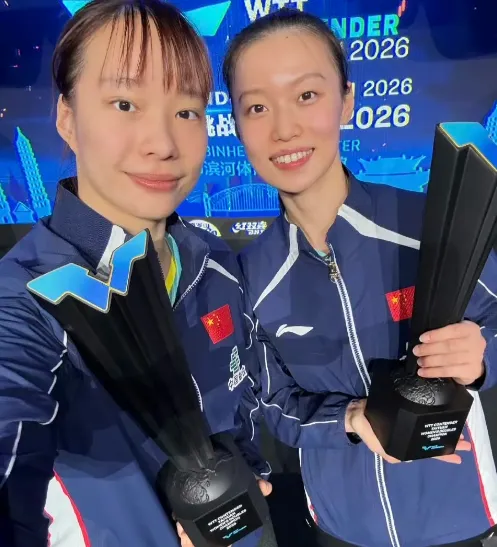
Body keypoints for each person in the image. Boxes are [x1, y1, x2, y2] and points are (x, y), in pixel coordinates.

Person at [0, 1, 274, 546]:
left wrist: (249, 473)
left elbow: (240, 406)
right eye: (124, 103)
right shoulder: (28, 299)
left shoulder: (215, 263)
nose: (163, 144)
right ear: (67, 118)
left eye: (187, 111)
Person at [223, 8, 497, 547]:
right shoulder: (248, 276)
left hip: (460, 518)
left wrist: (482, 354)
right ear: (235, 124)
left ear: (346, 100)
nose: (284, 129)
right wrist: (350, 417)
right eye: (257, 107)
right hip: (341, 528)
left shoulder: (430, 225)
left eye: (307, 95)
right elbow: (270, 403)